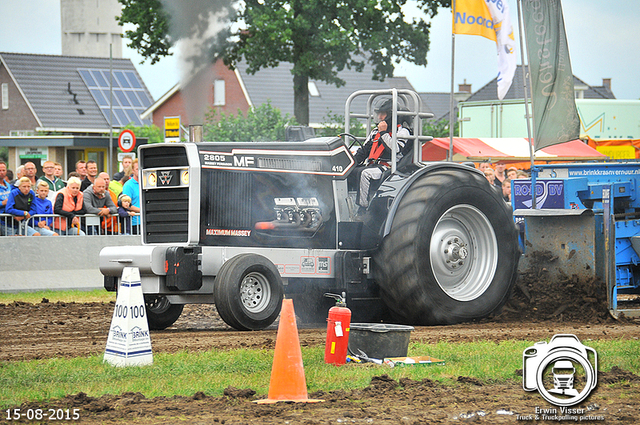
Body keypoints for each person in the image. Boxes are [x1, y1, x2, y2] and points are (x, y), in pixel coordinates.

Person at [350, 98, 411, 209]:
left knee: (365, 174)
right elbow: (364, 151)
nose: (379, 117)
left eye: (382, 114)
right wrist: (350, 163)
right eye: (378, 114)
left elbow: (395, 149)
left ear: (391, 115)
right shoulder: (375, 132)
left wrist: (383, 133)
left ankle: (362, 209)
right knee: (351, 171)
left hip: (389, 166)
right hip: (373, 164)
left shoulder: (403, 132)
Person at [121, 159, 141, 233]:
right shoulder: (128, 185)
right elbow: (126, 205)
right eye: (137, 169)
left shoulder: (148, 183)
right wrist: (142, 211)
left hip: (147, 221)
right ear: (133, 170)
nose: (140, 171)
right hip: (135, 222)